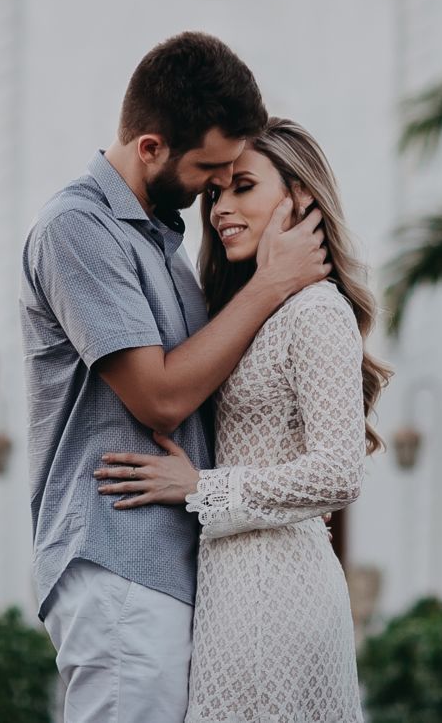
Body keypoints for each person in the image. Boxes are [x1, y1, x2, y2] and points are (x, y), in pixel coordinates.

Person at [21, 33, 331, 723]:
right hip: (119, 558)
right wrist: (273, 283)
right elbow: (159, 398)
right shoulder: (79, 228)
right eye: (208, 170)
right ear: (151, 147)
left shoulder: (159, 237)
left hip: (173, 565)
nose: (212, 192)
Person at [95, 118, 391, 723]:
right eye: (215, 193)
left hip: (274, 591)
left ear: (299, 197)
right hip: (234, 584)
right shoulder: (249, 312)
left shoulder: (315, 309)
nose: (221, 209)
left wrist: (200, 487)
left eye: (244, 187)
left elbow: (339, 472)